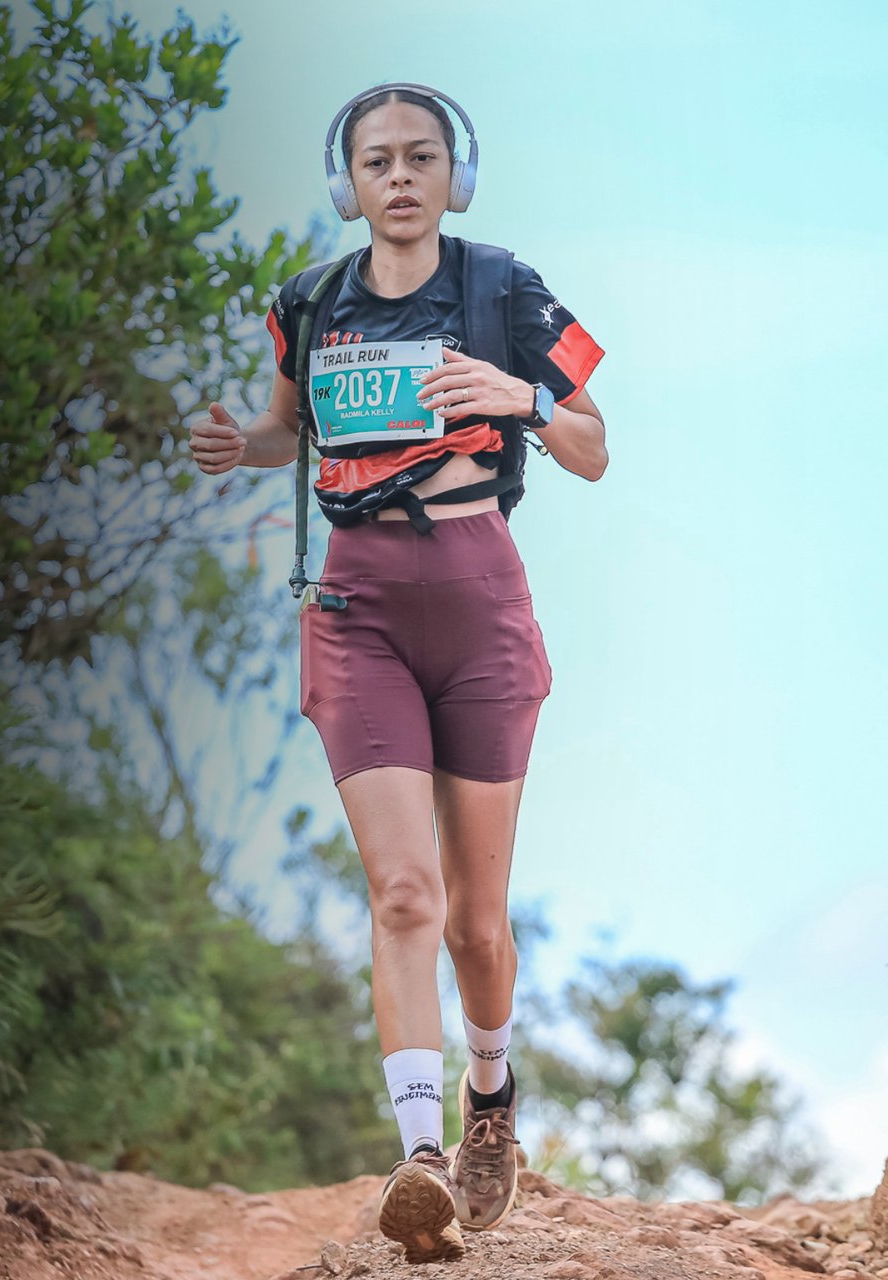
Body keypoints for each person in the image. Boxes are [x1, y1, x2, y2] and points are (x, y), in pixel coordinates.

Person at [189, 83, 608, 1264]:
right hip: (355, 607)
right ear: (350, 183)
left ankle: (489, 1100)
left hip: (481, 602)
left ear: (453, 174)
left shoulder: (504, 287)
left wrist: (521, 394)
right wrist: (242, 443)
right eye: (378, 161)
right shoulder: (309, 304)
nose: (402, 177)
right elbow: (288, 429)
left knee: (478, 921)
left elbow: (595, 446)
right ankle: (419, 1153)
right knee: (405, 896)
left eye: (422, 158)